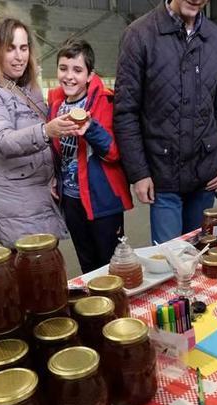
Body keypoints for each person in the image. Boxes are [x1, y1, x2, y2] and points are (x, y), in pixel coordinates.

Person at [114, 0, 217, 244]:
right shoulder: (138, 36)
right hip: (162, 175)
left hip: (205, 174)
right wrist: (139, 172)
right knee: (169, 262)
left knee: (203, 256)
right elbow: (126, 112)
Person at [0, 17, 71, 248]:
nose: (19, 56)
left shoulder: (25, 84)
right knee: (29, 268)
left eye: (23, 48)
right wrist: (47, 131)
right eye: (10, 48)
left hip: (40, 192)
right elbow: (2, 141)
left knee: (48, 263)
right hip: (15, 197)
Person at [47, 39, 133, 274]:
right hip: (72, 200)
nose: (69, 76)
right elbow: (60, 151)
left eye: (77, 70)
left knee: (111, 267)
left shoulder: (104, 101)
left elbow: (116, 153)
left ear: (89, 74)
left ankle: (116, 309)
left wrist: (92, 130)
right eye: (63, 68)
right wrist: (57, 177)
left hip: (102, 199)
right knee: (87, 265)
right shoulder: (55, 104)